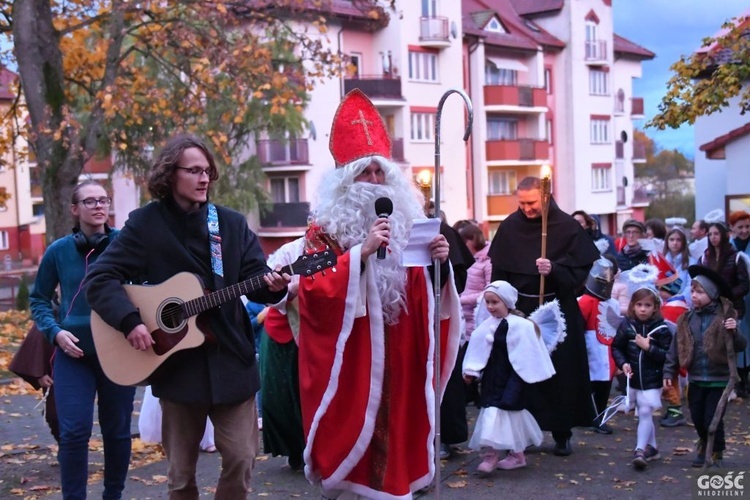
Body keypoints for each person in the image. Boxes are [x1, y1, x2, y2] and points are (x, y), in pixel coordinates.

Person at [84, 135, 289, 498]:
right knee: (180, 477)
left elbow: (254, 280)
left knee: (242, 460)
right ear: (170, 174)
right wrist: (130, 321)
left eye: (207, 170)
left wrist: (273, 286)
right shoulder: (145, 225)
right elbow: (100, 278)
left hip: (232, 359)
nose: (204, 178)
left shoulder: (230, 224)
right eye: (194, 170)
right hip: (178, 368)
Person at [296, 89, 461, 498]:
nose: (373, 182)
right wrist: (360, 255)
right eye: (364, 173)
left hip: (402, 348)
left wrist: (440, 265)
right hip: (356, 356)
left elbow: (427, 293)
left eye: (379, 173)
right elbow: (311, 286)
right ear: (345, 182)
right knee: (359, 429)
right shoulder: (322, 232)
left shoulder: (411, 223)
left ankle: (398, 486)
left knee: (402, 421)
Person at [29, 180, 135, 499]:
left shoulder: (125, 245)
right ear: (75, 210)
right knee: (73, 432)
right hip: (73, 355)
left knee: (117, 433)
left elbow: (146, 289)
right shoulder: (58, 251)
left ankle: (112, 495)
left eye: (103, 200)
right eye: (89, 202)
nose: (99, 205)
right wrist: (55, 332)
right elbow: (38, 300)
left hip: (118, 353)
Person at [488, 176, 600, 456]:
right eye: (522, 203)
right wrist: (501, 304)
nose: (527, 209)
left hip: (557, 311)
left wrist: (556, 268)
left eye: (532, 203)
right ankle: (525, 433)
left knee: (561, 376)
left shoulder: (565, 227)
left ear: (546, 198)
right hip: (521, 312)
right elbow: (499, 271)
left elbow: (581, 273)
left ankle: (562, 432)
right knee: (523, 374)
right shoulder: (510, 227)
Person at [462, 281, 555, 475]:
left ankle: (507, 455)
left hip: (514, 377)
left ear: (507, 302)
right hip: (492, 378)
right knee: (492, 412)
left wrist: (525, 374)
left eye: (495, 302)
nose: (490, 306)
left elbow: (530, 353)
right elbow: (478, 349)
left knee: (508, 413)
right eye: (487, 302)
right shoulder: (486, 326)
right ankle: (496, 454)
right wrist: (472, 370)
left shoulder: (522, 326)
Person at [663, 266, 745, 468]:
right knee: (698, 417)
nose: (694, 296)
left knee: (712, 418)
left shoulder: (725, 317)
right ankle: (703, 444)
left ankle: (716, 451)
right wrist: (668, 370)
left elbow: (741, 346)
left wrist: (734, 332)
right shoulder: (686, 319)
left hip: (719, 379)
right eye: (692, 291)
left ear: (712, 294)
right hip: (696, 378)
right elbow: (676, 347)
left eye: (700, 292)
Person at [611, 285, 672, 471]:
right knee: (642, 412)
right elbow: (617, 347)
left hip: (653, 379)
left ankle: (639, 450)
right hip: (634, 379)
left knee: (645, 412)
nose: (643, 309)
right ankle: (652, 448)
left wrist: (648, 347)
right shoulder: (627, 325)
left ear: (655, 307)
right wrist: (623, 364)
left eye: (647, 305)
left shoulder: (661, 329)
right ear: (632, 306)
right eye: (639, 304)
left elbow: (667, 355)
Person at [262, 237, 306, 471]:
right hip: (283, 332)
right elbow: (270, 292)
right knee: (281, 397)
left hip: (316, 332)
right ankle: (294, 450)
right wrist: (291, 290)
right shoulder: (290, 251)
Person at [578, 258, 619, 435]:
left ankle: (599, 417)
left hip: (607, 348)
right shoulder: (585, 301)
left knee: (604, 385)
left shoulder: (613, 303)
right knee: (591, 385)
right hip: (591, 349)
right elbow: (578, 326)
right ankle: (590, 417)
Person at [650, 253, 689, 428]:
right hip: (672, 351)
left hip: (671, 353)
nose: (657, 292)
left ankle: (676, 411)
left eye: (660, 289)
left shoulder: (673, 309)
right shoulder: (677, 305)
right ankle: (673, 409)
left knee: (671, 382)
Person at [698, 222, 750, 319]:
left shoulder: (737, 258)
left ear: (725, 235)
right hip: (709, 308)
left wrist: (726, 295)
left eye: (716, 234)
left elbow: (744, 286)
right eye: (710, 234)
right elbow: (699, 282)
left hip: (732, 308)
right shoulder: (703, 259)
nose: (713, 237)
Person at [729, 211, 750, 398]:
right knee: (738, 336)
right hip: (737, 299)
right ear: (733, 228)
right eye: (740, 227)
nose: (744, 230)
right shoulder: (730, 248)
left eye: (747, 227)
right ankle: (740, 379)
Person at [662, 227, 694, 301]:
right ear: (667, 241)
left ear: (683, 242)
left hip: (682, 303)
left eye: (678, 240)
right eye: (672, 239)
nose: (675, 243)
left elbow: (691, 285)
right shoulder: (661, 261)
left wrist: (681, 298)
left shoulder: (691, 262)